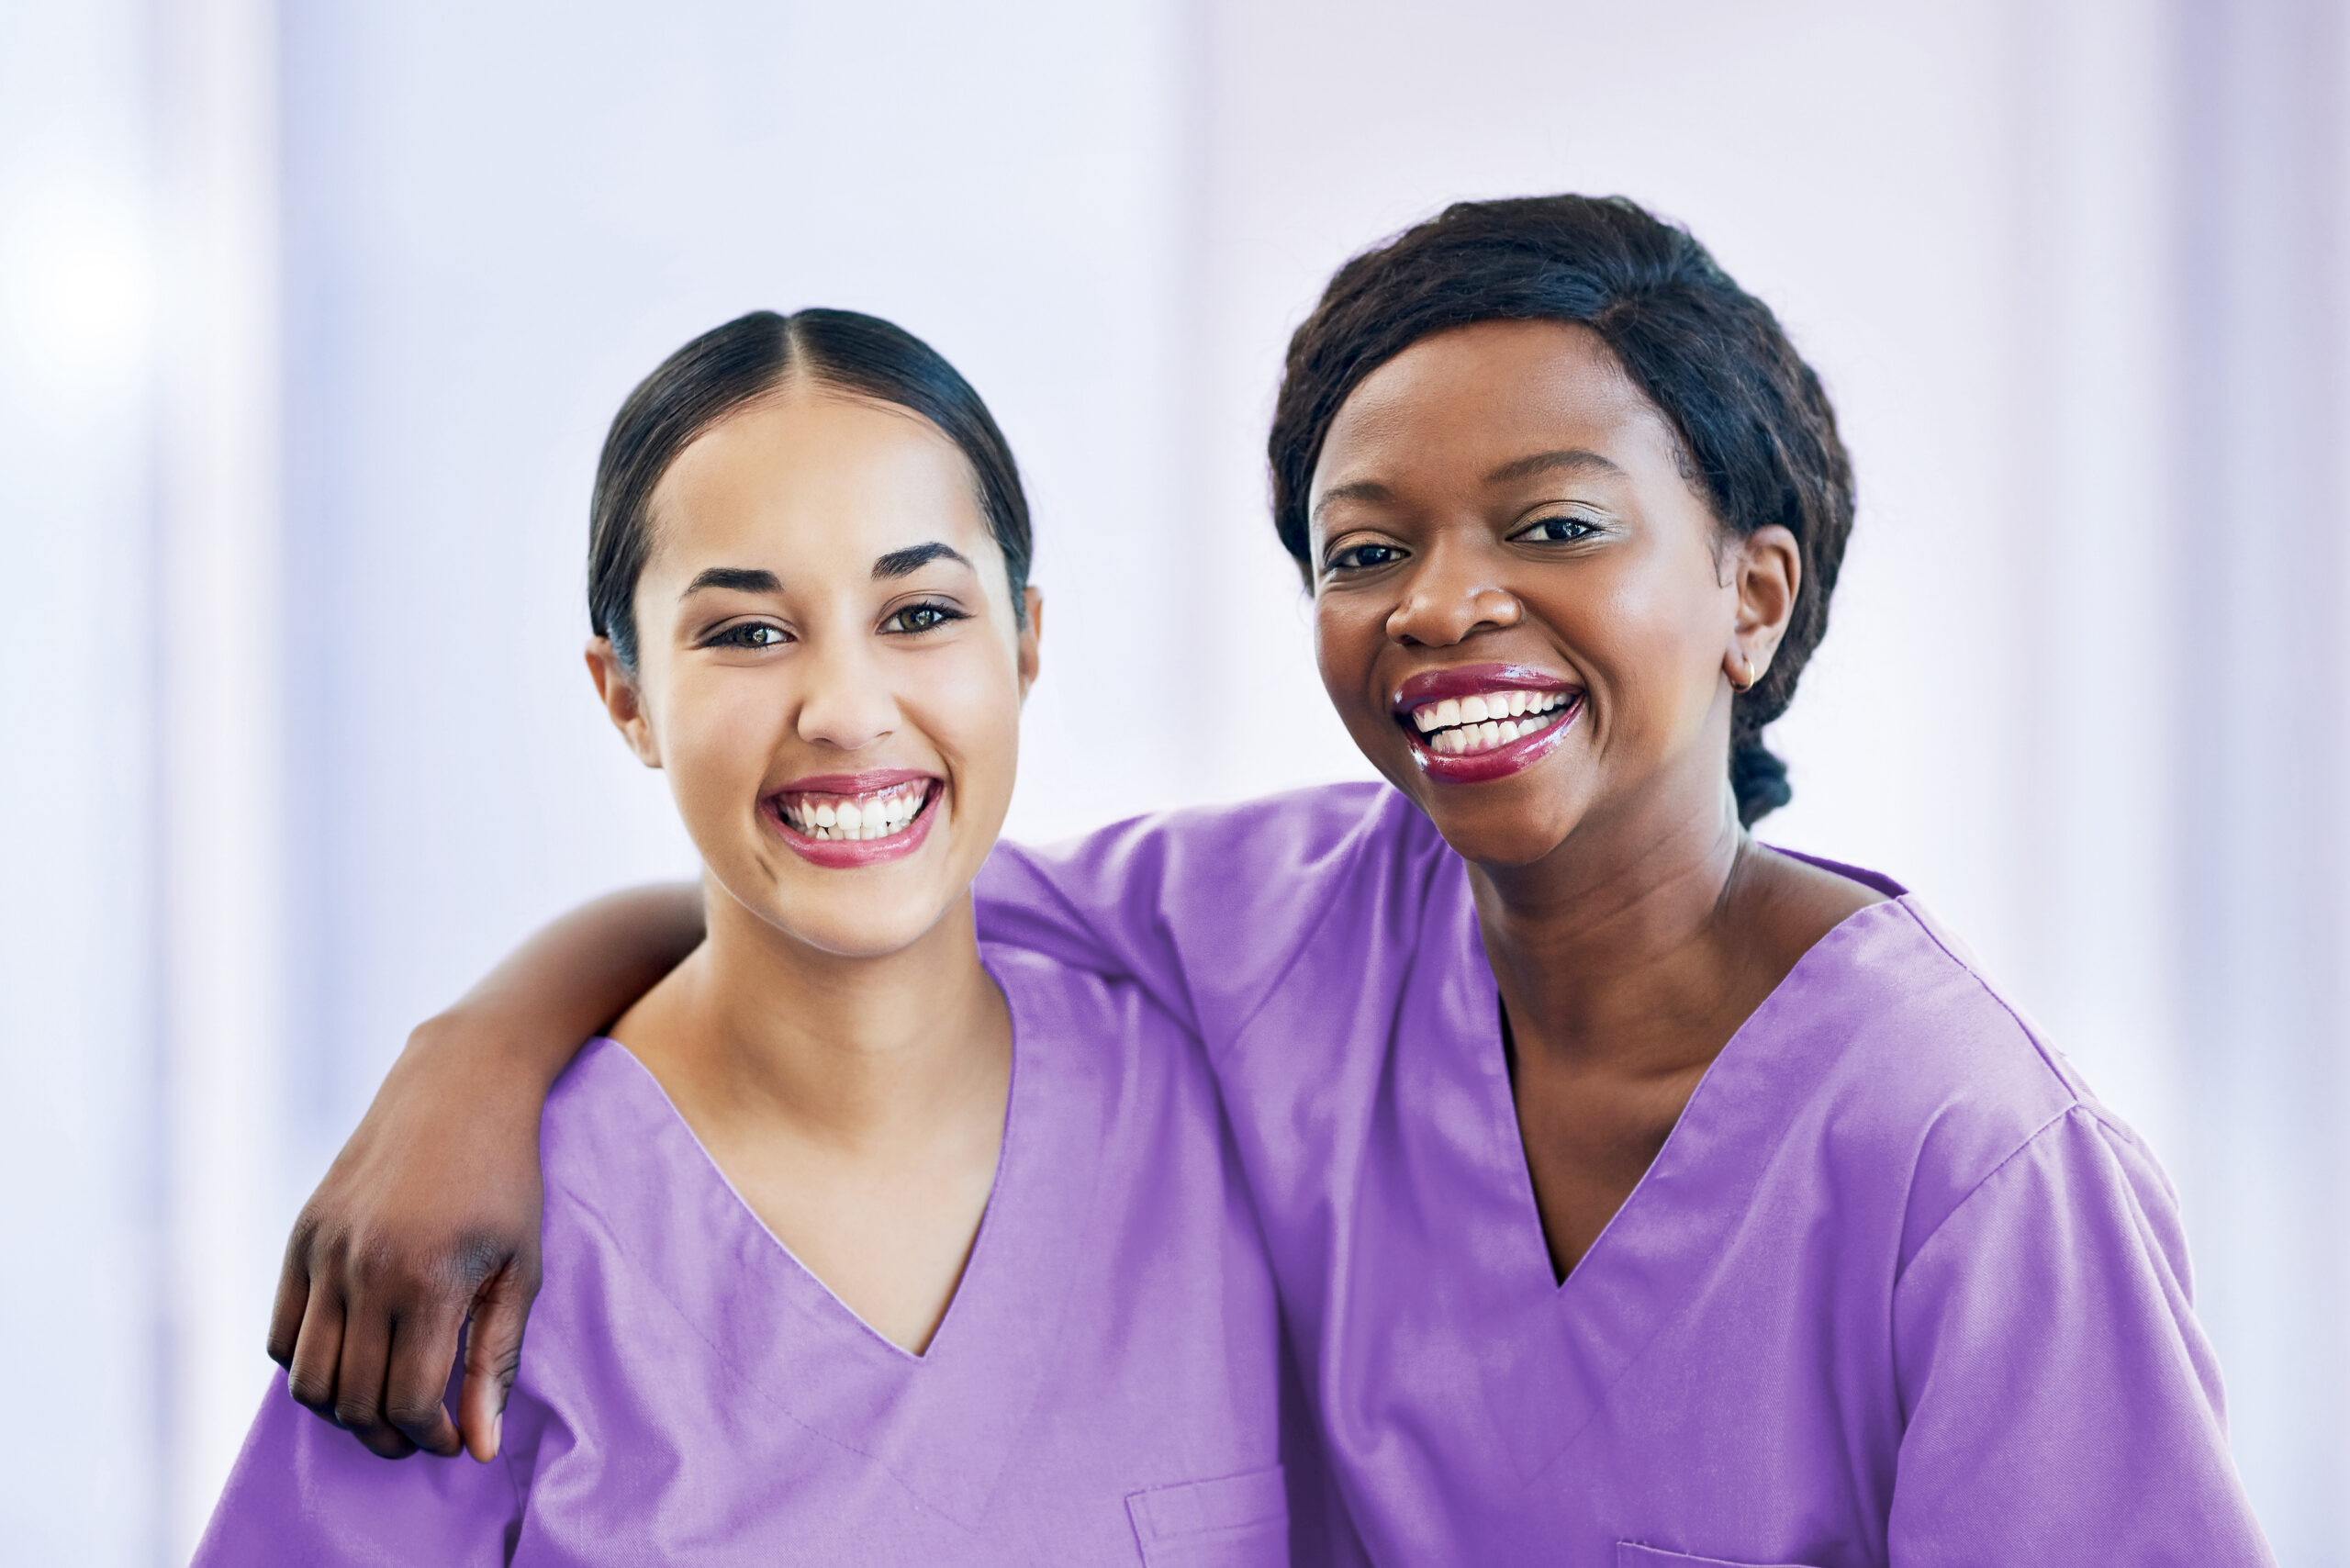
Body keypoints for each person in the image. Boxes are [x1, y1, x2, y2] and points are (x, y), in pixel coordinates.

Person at [268, 199, 2275, 1565]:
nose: (1445, 604)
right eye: (1363, 546)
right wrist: (472, 1060)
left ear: (1751, 588)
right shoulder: (1270, 934)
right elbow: (862, 867)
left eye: (1554, 520)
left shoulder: (1971, 1168)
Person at [199, 308, 1336, 1566]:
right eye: (748, 632)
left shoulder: (1225, 1120)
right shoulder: (488, 1245)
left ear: (1026, 643)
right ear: (626, 696)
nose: (847, 711)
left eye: (918, 613)